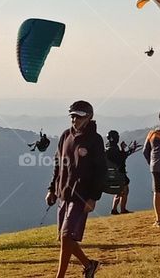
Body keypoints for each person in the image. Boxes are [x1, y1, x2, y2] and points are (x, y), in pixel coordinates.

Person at [46, 100, 105, 278]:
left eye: (79, 117)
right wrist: (52, 189)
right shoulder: (65, 136)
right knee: (65, 238)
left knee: (66, 237)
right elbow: (58, 164)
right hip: (64, 193)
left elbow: (100, 170)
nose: (75, 120)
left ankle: (60, 276)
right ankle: (89, 265)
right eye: (72, 116)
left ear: (89, 117)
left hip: (82, 195)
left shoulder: (95, 140)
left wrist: (93, 197)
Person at [105, 130, 140, 215]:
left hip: (113, 174)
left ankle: (115, 209)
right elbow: (121, 158)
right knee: (124, 190)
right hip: (119, 173)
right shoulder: (113, 149)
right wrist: (124, 150)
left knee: (120, 191)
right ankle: (121, 209)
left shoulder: (108, 147)